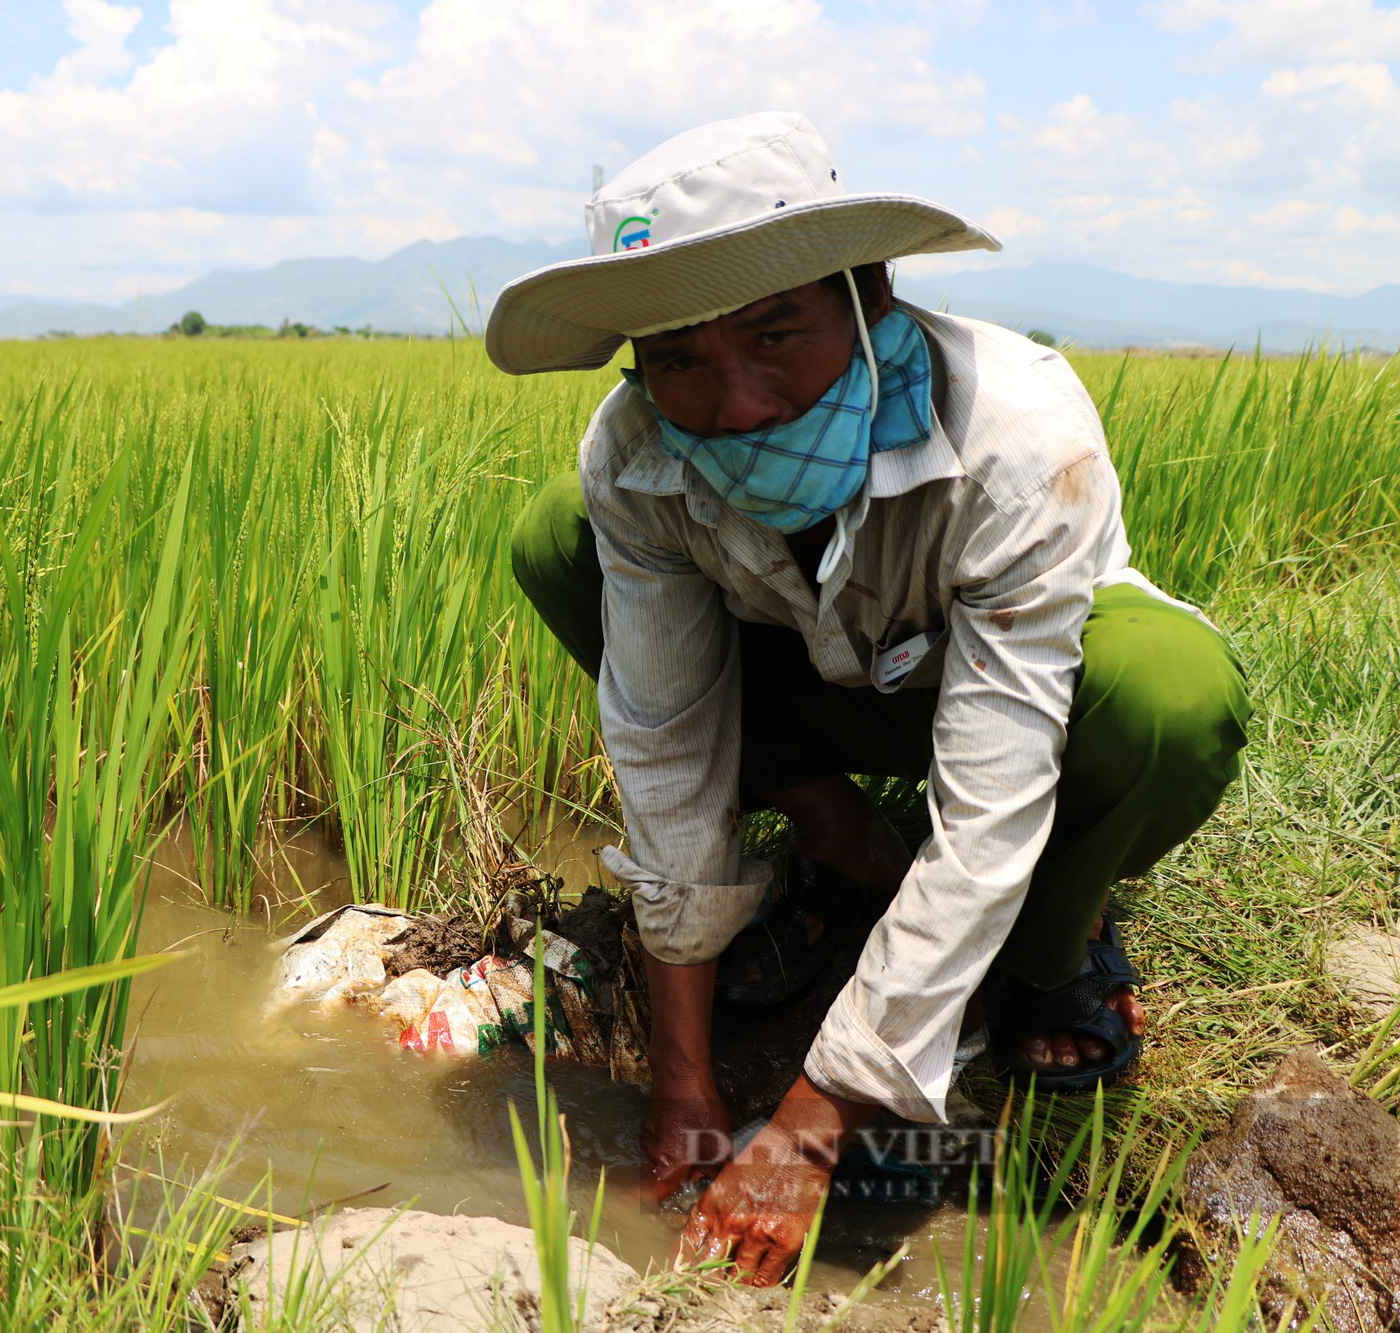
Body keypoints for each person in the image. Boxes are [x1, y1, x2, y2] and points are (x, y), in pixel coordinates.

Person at [487, 113, 1249, 1286]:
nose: (734, 403)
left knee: (1168, 699)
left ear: (868, 289)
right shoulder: (637, 450)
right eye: (678, 359)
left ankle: (1051, 951)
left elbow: (996, 781)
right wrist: (681, 1076)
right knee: (554, 536)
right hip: (814, 670)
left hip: (1021, 688)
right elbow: (667, 737)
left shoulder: (1013, 432)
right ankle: (838, 841)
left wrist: (806, 1121)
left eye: (774, 333)